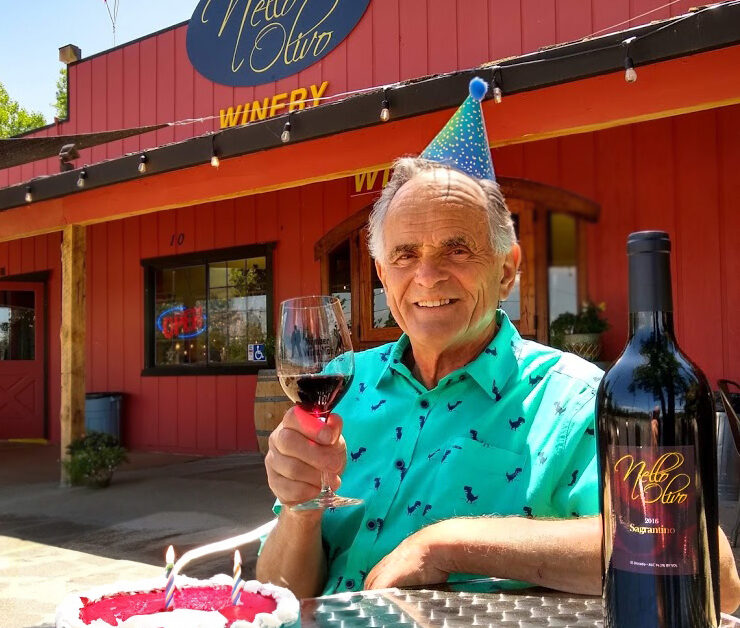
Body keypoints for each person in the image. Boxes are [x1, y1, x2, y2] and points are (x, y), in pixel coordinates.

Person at [256, 81, 740, 613]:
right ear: (380, 274)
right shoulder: (345, 389)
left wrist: (447, 545)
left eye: (456, 249)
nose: (427, 276)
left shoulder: (575, 400)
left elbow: (707, 566)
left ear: (507, 269)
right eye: (404, 254)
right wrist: (298, 508)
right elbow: (279, 594)